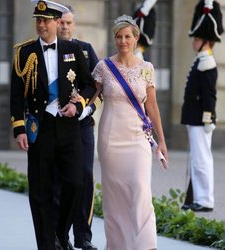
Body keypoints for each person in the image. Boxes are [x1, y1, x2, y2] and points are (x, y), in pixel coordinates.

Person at [10, 0, 96, 249]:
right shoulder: (24, 52)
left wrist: (78, 105)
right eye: (38, 20)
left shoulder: (72, 49)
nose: (41, 25)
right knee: (41, 191)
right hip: (40, 128)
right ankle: (46, 244)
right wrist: (19, 129)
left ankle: (60, 231)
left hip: (68, 127)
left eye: (45, 21)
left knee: (75, 183)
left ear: (57, 23)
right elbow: (16, 96)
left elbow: (90, 84)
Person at [92, 15, 168, 250]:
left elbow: (152, 106)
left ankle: (146, 246)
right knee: (115, 198)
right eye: (118, 36)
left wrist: (162, 141)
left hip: (137, 138)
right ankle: (118, 245)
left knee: (140, 187)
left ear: (136, 38)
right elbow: (91, 97)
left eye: (127, 36)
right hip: (110, 138)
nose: (123, 41)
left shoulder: (146, 69)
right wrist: (76, 105)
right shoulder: (104, 67)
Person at [56, 7, 101, 250]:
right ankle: (58, 235)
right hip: (56, 126)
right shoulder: (46, 50)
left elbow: (96, 86)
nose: (65, 27)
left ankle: (83, 236)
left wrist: (86, 108)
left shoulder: (85, 49)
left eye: (69, 23)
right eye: (61, 22)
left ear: (74, 24)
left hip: (82, 124)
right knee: (59, 181)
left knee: (84, 177)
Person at [181, 0, 223, 212]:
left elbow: (209, 95)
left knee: (202, 160)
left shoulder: (207, 62)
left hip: (200, 119)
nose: (193, 42)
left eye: (196, 39)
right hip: (194, 117)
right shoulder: (200, 60)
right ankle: (197, 197)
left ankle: (205, 200)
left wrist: (208, 117)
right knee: (197, 160)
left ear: (205, 41)